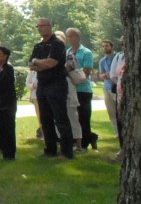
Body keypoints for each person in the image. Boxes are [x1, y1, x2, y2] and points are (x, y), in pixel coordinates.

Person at [29, 18, 75, 159]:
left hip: (56, 83)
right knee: (45, 119)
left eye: (42, 26)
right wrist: (39, 63)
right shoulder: (38, 46)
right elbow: (31, 65)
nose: (40, 29)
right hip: (42, 84)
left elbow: (52, 63)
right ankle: (50, 149)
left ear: (49, 27)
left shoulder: (57, 44)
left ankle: (67, 152)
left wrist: (39, 62)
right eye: (38, 26)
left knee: (60, 118)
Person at [65, 27, 98, 150]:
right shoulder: (67, 52)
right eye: (67, 36)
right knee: (73, 117)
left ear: (78, 37)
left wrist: (73, 76)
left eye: (71, 35)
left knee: (84, 117)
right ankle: (80, 139)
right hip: (71, 89)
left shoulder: (86, 52)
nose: (69, 38)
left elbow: (86, 71)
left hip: (83, 89)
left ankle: (85, 143)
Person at [98, 39, 118, 133]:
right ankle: (116, 132)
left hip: (117, 87)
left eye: (107, 45)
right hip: (107, 88)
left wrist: (110, 74)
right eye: (103, 46)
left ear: (111, 46)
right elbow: (101, 75)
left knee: (120, 110)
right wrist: (105, 75)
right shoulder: (102, 61)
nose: (105, 48)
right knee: (111, 111)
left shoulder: (117, 57)